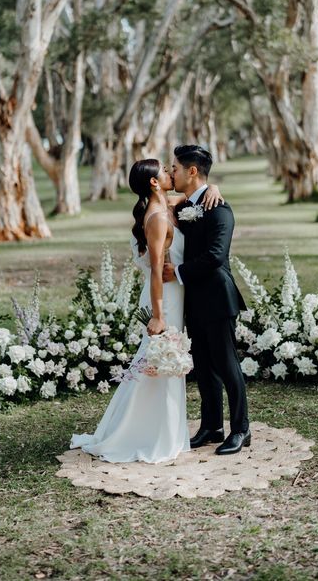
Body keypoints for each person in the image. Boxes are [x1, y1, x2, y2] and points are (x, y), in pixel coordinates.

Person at [69, 159, 223, 463]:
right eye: (165, 171)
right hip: (163, 298)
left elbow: (199, 194)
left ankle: (161, 430)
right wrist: (158, 314)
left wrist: (214, 186)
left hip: (175, 295)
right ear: (154, 182)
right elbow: (155, 271)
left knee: (161, 366)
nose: (170, 173)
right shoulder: (156, 218)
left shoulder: (169, 205)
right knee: (158, 365)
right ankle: (143, 433)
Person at [163, 145, 250, 455]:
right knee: (203, 367)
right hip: (195, 303)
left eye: (174, 167)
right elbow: (168, 207)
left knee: (227, 365)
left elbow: (216, 256)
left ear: (192, 171)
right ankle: (212, 426)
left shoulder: (221, 209)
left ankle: (241, 429)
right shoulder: (188, 205)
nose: (171, 172)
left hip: (217, 299)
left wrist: (178, 272)